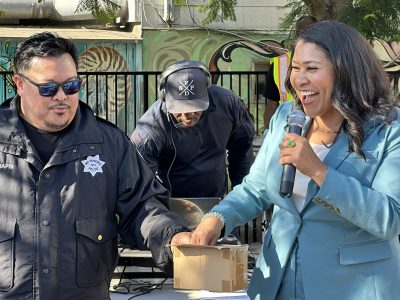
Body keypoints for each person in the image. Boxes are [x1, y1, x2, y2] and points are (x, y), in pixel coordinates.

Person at [190, 21, 400, 300]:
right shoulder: (287, 116)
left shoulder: (388, 129)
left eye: (312, 68)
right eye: (296, 68)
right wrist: (217, 218)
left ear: (347, 72)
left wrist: (318, 170)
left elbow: (390, 218)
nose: (298, 80)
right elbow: (257, 187)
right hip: (279, 284)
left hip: (353, 287)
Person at [1, 31, 191, 299]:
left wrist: (172, 237)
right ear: (19, 84)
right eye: (48, 88)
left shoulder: (109, 145)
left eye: (70, 86)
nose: (61, 97)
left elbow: (142, 206)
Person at [131, 60, 255, 199]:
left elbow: (242, 149)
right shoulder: (149, 131)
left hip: (217, 200)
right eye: (178, 109)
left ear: (206, 92)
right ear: (165, 97)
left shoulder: (230, 104)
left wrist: (241, 197)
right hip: (170, 204)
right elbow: (140, 184)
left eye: (194, 107)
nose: (186, 115)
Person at [263, 15, 317, 130]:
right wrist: (268, 133)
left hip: (318, 130)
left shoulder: (330, 63)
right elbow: (271, 104)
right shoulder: (278, 65)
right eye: (299, 33)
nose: (303, 37)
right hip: (286, 129)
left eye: (309, 32)